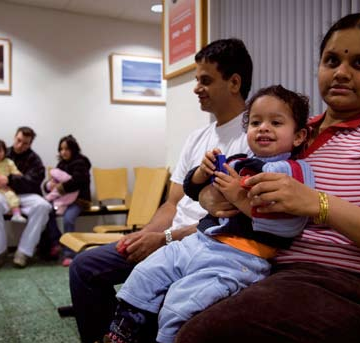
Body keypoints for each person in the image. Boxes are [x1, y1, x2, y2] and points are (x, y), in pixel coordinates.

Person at [175, 13, 360, 343]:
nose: (341, 73)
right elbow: (235, 180)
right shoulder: (291, 132)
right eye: (331, 60)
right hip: (260, 263)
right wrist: (212, 196)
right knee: (162, 304)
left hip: (354, 284)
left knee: (202, 334)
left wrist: (317, 204)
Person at [68, 38, 254, 343]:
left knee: (162, 308)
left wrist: (163, 239)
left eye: (205, 80)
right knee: (84, 267)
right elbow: (171, 203)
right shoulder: (197, 138)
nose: (196, 88)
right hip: (166, 240)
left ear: (234, 83)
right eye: (196, 80)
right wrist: (145, 235)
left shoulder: (253, 140)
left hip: (206, 248)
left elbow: (226, 220)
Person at [104, 85, 315, 343]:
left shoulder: (293, 171)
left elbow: (289, 224)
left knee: (179, 302)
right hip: (199, 241)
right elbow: (193, 190)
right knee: (145, 273)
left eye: (276, 122)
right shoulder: (238, 161)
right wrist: (200, 174)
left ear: (298, 136)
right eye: (256, 122)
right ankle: (122, 332)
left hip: (240, 257)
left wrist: (238, 198)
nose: (263, 128)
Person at [0, 126, 52, 270]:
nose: (20, 145)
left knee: (44, 206)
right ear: (15, 137)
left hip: (26, 195)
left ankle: (24, 252)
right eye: (19, 140)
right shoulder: (1, 151)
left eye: (25, 143)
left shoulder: (35, 160)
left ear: (30, 143)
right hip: (2, 193)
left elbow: (33, 182)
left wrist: (9, 179)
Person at [43, 134, 92, 267]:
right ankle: (57, 242)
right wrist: (49, 185)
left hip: (79, 201)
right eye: (61, 149)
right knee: (45, 210)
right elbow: (53, 183)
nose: (63, 152)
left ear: (73, 149)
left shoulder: (81, 163)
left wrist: (59, 187)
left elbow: (77, 182)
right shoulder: (61, 164)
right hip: (62, 201)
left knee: (68, 219)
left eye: (66, 149)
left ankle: (69, 253)